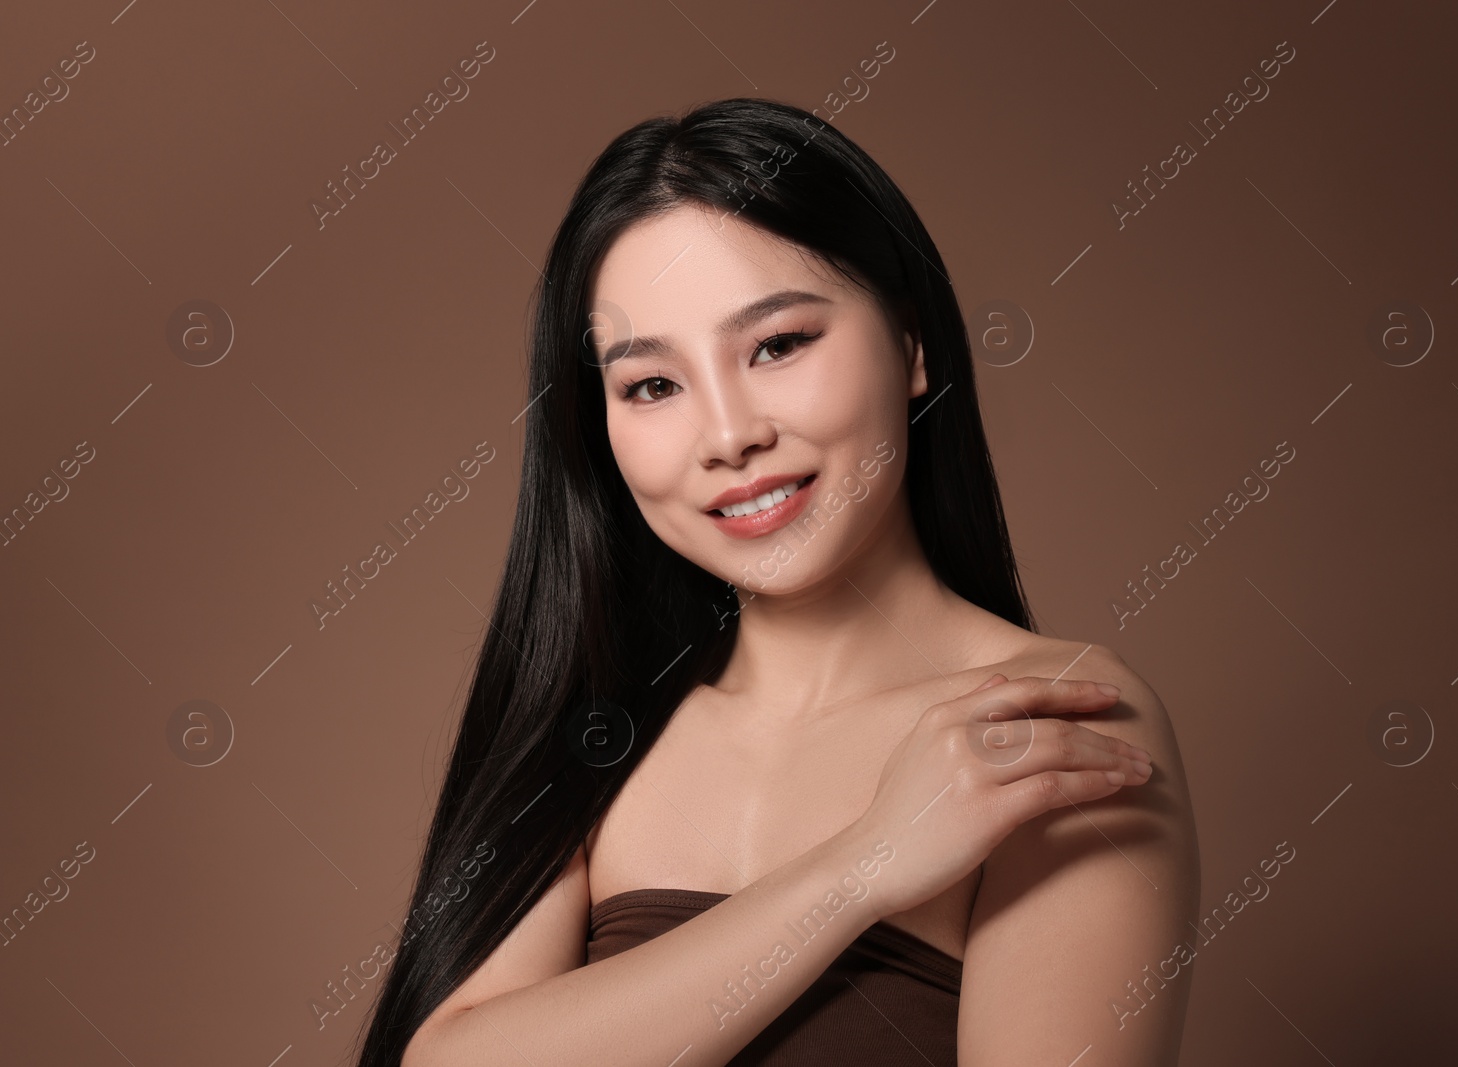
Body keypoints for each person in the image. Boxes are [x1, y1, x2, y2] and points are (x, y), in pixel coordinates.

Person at [356, 97, 1200, 1067]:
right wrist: (861, 867)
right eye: (652, 385)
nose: (728, 436)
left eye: (778, 344)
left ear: (912, 344)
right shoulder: (599, 726)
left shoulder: (1054, 723)